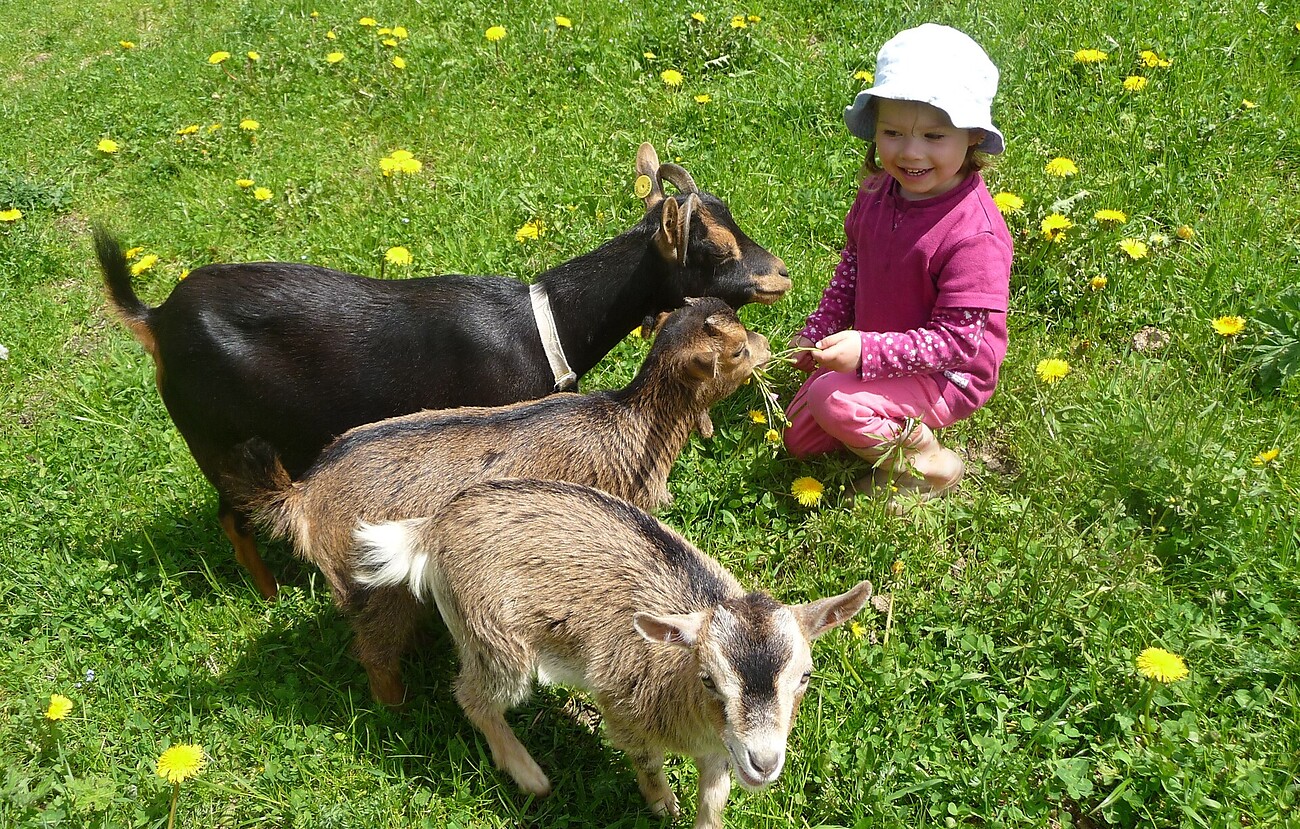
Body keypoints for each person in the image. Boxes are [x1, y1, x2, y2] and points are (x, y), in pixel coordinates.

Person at [783, 23, 1013, 511]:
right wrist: (820, 330)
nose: (910, 152)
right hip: (882, 350)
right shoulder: (876, 191)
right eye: (892, 132)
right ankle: (877, 419)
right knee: (799, 440)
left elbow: (958, 343)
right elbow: (851, 269)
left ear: (973, 136)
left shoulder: (975, 236)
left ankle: (929, 466)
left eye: (934, 135)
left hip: (947, 375)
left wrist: (867, 351)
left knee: (833, 402)